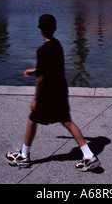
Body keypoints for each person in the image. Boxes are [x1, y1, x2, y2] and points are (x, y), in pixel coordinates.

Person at [6, 14, 100, 172]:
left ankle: (24, 156)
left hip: (48, 93)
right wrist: (35, 70)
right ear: (55, 29)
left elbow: (41, 78)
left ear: (40, 30)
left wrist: (36, 99)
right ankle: (89, 155)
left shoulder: (42, 50)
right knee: (67, 121)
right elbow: (51, 66)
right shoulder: (57, 45)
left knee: (32, 120)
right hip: (61, 90)